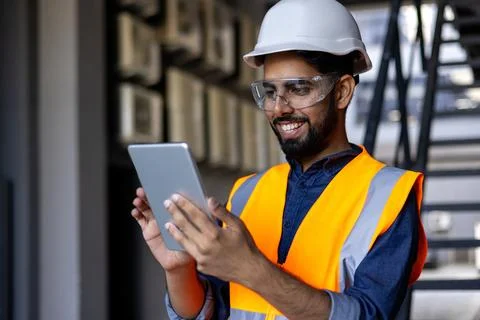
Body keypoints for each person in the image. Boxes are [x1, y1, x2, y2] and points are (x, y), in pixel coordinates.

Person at [131, 0, 428, 319]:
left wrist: (251, 270)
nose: (279, 108)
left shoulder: (390, 196)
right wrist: (179, 269)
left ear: (342, 92)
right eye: (270, 92)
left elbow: (369, 314)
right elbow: (211, 312)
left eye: (298, 89)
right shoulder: (246, 192)